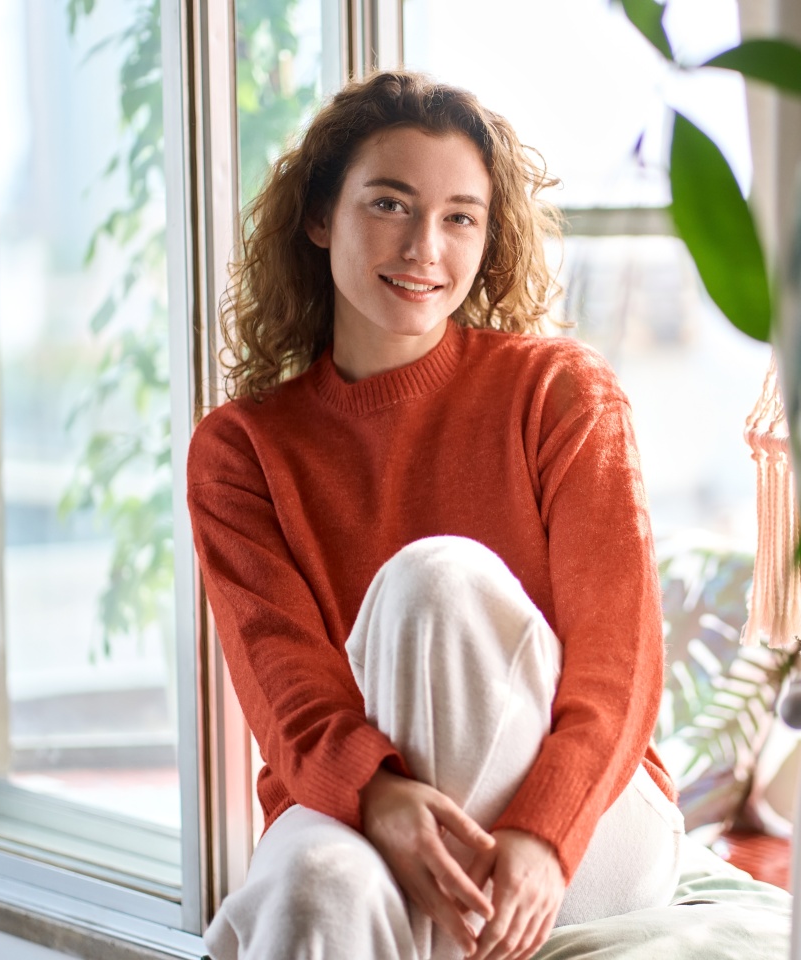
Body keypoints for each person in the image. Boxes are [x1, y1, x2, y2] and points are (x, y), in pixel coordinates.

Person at [187, 70, 684, 960]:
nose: (426, 246)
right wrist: (377, 797)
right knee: (313, 886)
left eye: (461, 216)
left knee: (436, 581)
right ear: (317, 217)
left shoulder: (560, 393)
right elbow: (284, 688)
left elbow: (621, 663)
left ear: (488, 239)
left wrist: (542, 832)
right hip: (361, 806)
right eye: (390, 203)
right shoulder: (240, 451)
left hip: (591, 822)